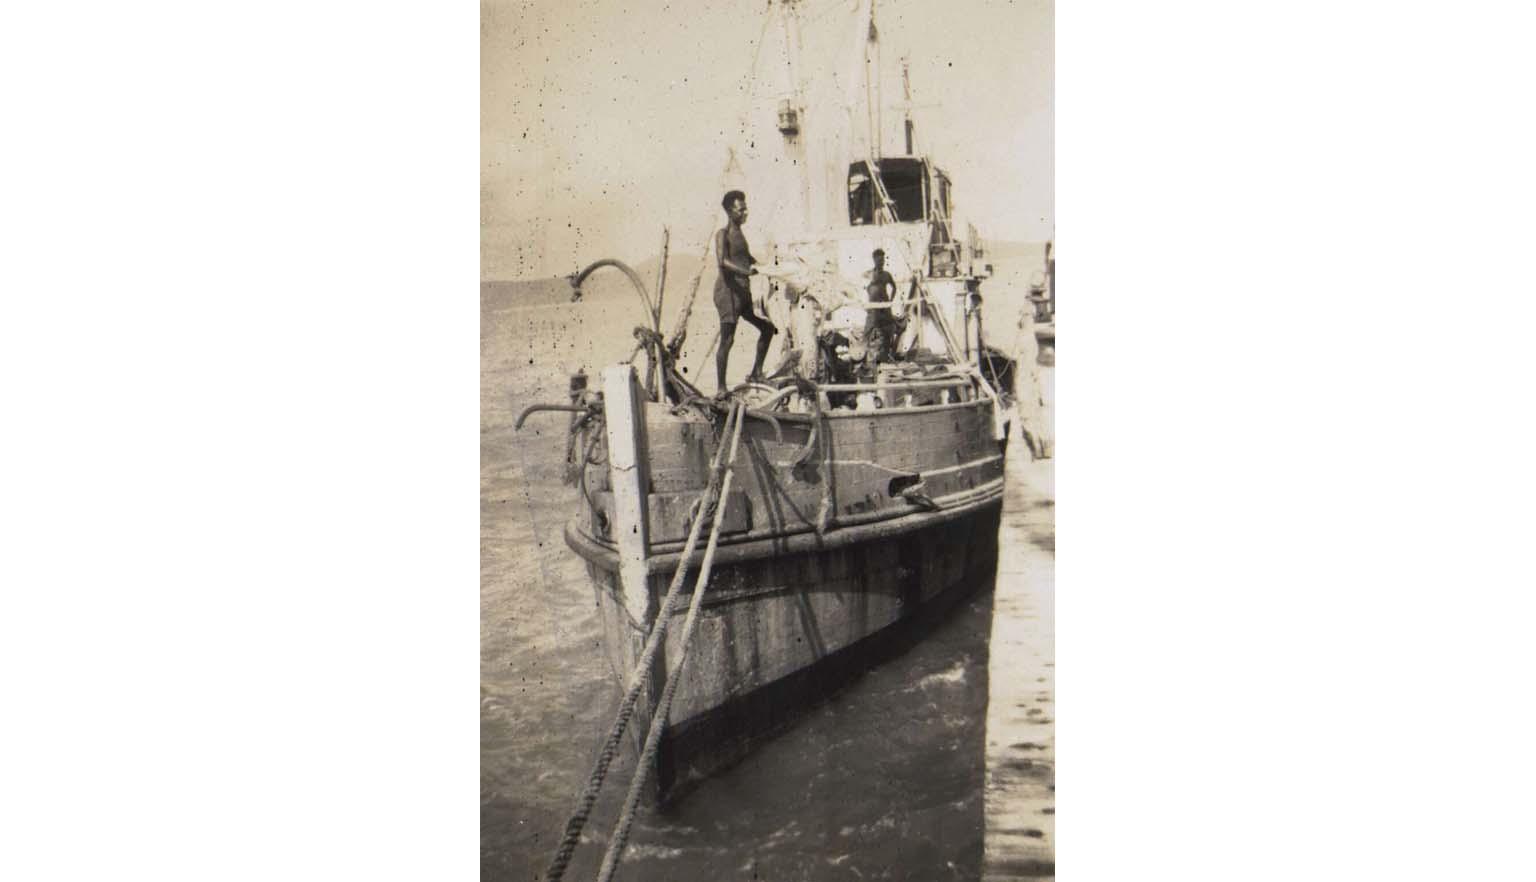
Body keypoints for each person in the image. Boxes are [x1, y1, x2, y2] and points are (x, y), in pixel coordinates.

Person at [713, 190, 778, 392]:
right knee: (728, 339)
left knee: (767, 328)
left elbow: (747, 258)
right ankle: (721, 388)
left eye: (745, 208)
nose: (745, 212)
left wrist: (768, 268)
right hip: (728, 293)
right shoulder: (722, 234)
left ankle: (756, 372)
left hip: (742, 293)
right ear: (730, 211)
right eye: (741, 209)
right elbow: (722, 261)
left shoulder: (740, 234)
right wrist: (747, 271)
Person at [863, 248, 899, 365]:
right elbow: (861, 287)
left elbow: (894, 287)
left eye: (883, 260)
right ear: (874, 260)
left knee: (888, 330)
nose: (881, 263)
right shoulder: (868, 274)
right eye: (879, 260)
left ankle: (886, 358)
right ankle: (865, 360)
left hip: (885, 307)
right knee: (868, 332)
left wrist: (891, 300)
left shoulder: (887, 275)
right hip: (873, 309)